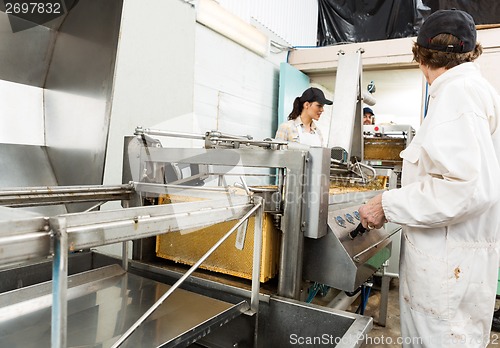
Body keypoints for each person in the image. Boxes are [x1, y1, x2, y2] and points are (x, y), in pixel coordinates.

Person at [358, 9, 500, 347]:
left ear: (421, 56)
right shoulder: (475, 90)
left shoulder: (457, 95)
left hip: (446, 273)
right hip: (457, 264)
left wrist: (385, 203)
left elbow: (466, 188)